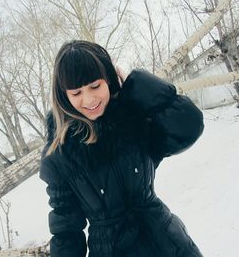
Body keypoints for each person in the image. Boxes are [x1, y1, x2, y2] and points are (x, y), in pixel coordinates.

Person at [39, 40, 204, 257]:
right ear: (64, 96)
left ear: (109, 79)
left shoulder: (133, 120)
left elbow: (188, 126)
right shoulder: (60, 154)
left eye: (95, 86)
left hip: (169, 244)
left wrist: (139, 86)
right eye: (76, 93)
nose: (88, 99)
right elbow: (66, 229)